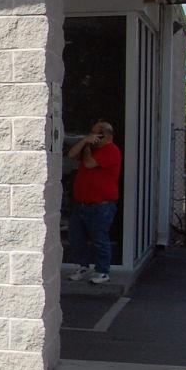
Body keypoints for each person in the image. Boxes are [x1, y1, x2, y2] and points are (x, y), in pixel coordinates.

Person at [66, 119, 121, 284]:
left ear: (104, 135)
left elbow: (90, 165)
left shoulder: (111, 151)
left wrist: (88, 149)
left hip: (101, 205)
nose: (91, 135)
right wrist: (84, 142)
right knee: (77, 238)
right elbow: (70, 155)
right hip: (82, 203)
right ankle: (83, 266)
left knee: (99, 238)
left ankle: (102, 270)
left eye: (95, 133)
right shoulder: (89, 149)